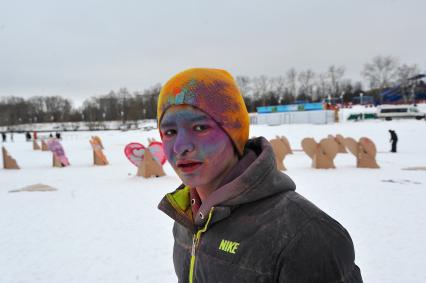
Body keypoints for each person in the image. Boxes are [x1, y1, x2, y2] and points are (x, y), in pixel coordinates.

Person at [157, 68, 362, 282]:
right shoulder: (186, 219)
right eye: (169, 132)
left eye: (200, 127)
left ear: (235, 133)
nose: (180, 146)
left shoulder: (306, 236)